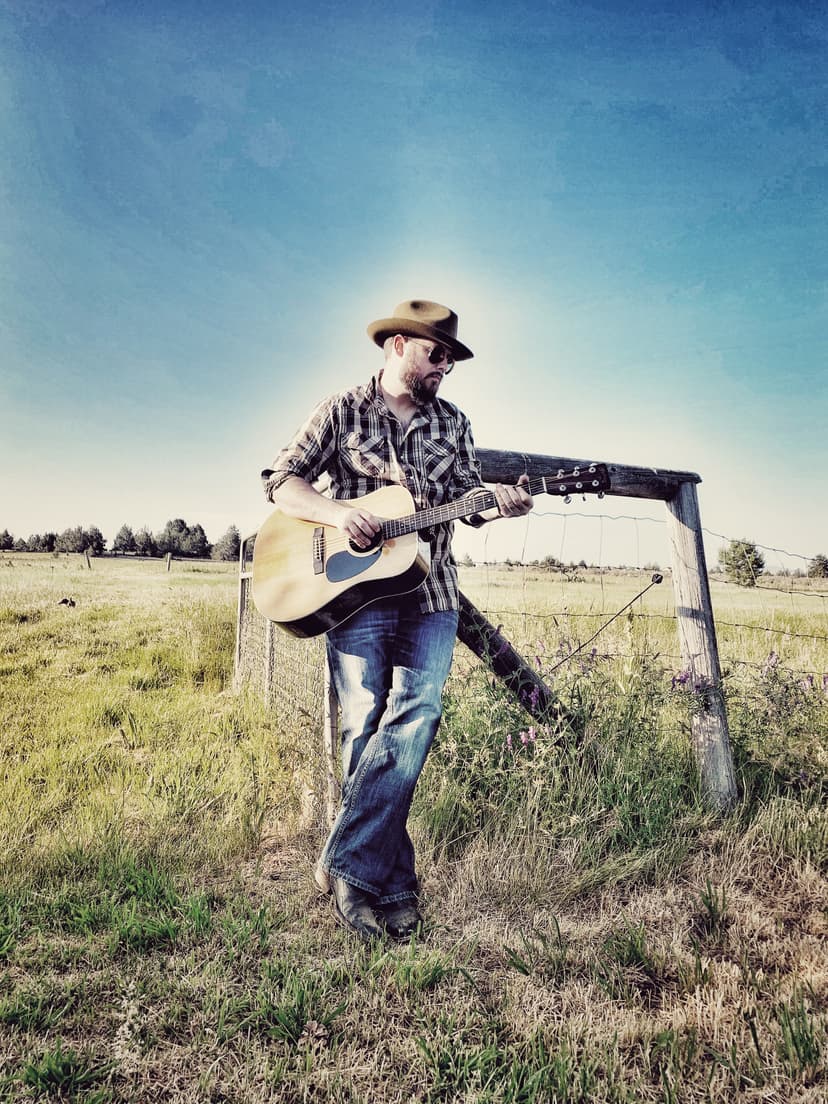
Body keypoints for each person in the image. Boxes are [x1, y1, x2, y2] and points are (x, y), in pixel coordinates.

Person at [261, 299, 532, 940]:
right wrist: (336, 516)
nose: (445, 366)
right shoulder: (341, 410)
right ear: (398, 345)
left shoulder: (453, 424)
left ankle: (347, 870)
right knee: (363, 725)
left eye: (452, 358)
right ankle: (386, 879)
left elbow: (470, 503)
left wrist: (501, 506)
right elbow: (280, 481)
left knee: (416, 720)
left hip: (431, 594)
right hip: (355, 597)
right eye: (436, 353)